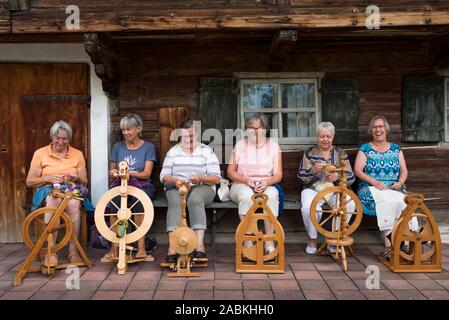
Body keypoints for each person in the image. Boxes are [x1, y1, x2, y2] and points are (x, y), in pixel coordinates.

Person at [26, 120, 90, 264]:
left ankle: (73, 252)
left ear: (69, 139)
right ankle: (51, 250)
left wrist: (76, 177)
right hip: (47, 190)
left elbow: (84, 181)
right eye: (58, 138)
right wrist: (48, 177)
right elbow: (29, 181)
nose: (61, 142)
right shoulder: (40, 153)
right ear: (52, 137)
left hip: (70, 189)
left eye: (64, 138)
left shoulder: (77, 154)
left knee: (73, 203)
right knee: (53, 199)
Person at [160, 119, 221, 263]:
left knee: (195, 200)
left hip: (203, 187)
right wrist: (175, 181)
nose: (189, 139)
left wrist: (200, 178)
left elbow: (216, 178)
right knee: (175, 201)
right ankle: (173, 246)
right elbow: (163, 176)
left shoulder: (206, 151)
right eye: (185, 136)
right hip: (178, 186)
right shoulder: (173, 151)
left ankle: (199, 246)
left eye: (192, 136)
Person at [102, 114, 157, 260]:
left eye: (129, 129)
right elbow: (111, 170)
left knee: (140, 204)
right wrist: (114, 172)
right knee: (115, 205)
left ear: (138, 129)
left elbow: (146, 174)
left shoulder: (148, 147)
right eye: (123, 130)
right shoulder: (118, 147)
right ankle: (115, 247)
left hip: (142, 185)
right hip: (121, 184)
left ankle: (141, 247)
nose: (126, 133)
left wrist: (129, 174)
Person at [354, 115, 409, 259]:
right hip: (370, 188)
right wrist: (374, 182)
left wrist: (401, 182)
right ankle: (389, 245)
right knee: (388, 202)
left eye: (380, 126)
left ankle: (406, 241)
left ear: (386, 129)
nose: (378, 129)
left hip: (393, 187)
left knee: (407, 202)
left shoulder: (396, 149)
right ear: (371, 130)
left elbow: (404, 170)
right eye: (374, 127)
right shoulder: (365, 149)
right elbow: (358, 170)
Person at [227, 113, 283, 254]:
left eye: (255, 128)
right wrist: (245, 180)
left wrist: (267, 182)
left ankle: (269, 241)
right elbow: (230, 172)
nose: (250, 131)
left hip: (265, 184)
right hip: (241, 184)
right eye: (248, 127)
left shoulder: (274, 146)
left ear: (264, 129)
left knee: (271, 195)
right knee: (246, 196)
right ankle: (248, 241)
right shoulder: (240, 145)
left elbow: (278, 174)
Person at [297, 122, 356, 254]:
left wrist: (338, 177)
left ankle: (333, 237)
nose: (325, 139)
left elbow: (351, 177)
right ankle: (312, 238)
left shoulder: (340, 153)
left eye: (328, 136)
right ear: (317, 137)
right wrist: (313, 170)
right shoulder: (309, 153)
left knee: (350, 204)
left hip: (335, 190)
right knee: (308, 207)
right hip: (313, 189)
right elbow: (301, 177)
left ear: (333, 137)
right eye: (322, 136)